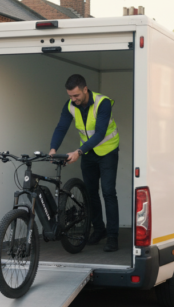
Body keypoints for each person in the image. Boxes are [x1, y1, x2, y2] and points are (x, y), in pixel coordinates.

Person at [49, 74, 121, 252]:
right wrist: (53, 149)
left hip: (108, 151)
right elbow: (61, 127)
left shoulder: (102, 103)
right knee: (90, 193)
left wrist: (78, 152)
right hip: (88, 152)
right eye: (70, 96)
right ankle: (99, 230)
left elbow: (100, 133)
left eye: (76, 96)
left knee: (108, 192)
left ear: (85, 90)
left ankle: (112, 237)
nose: (73, 99)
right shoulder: (70, 105)